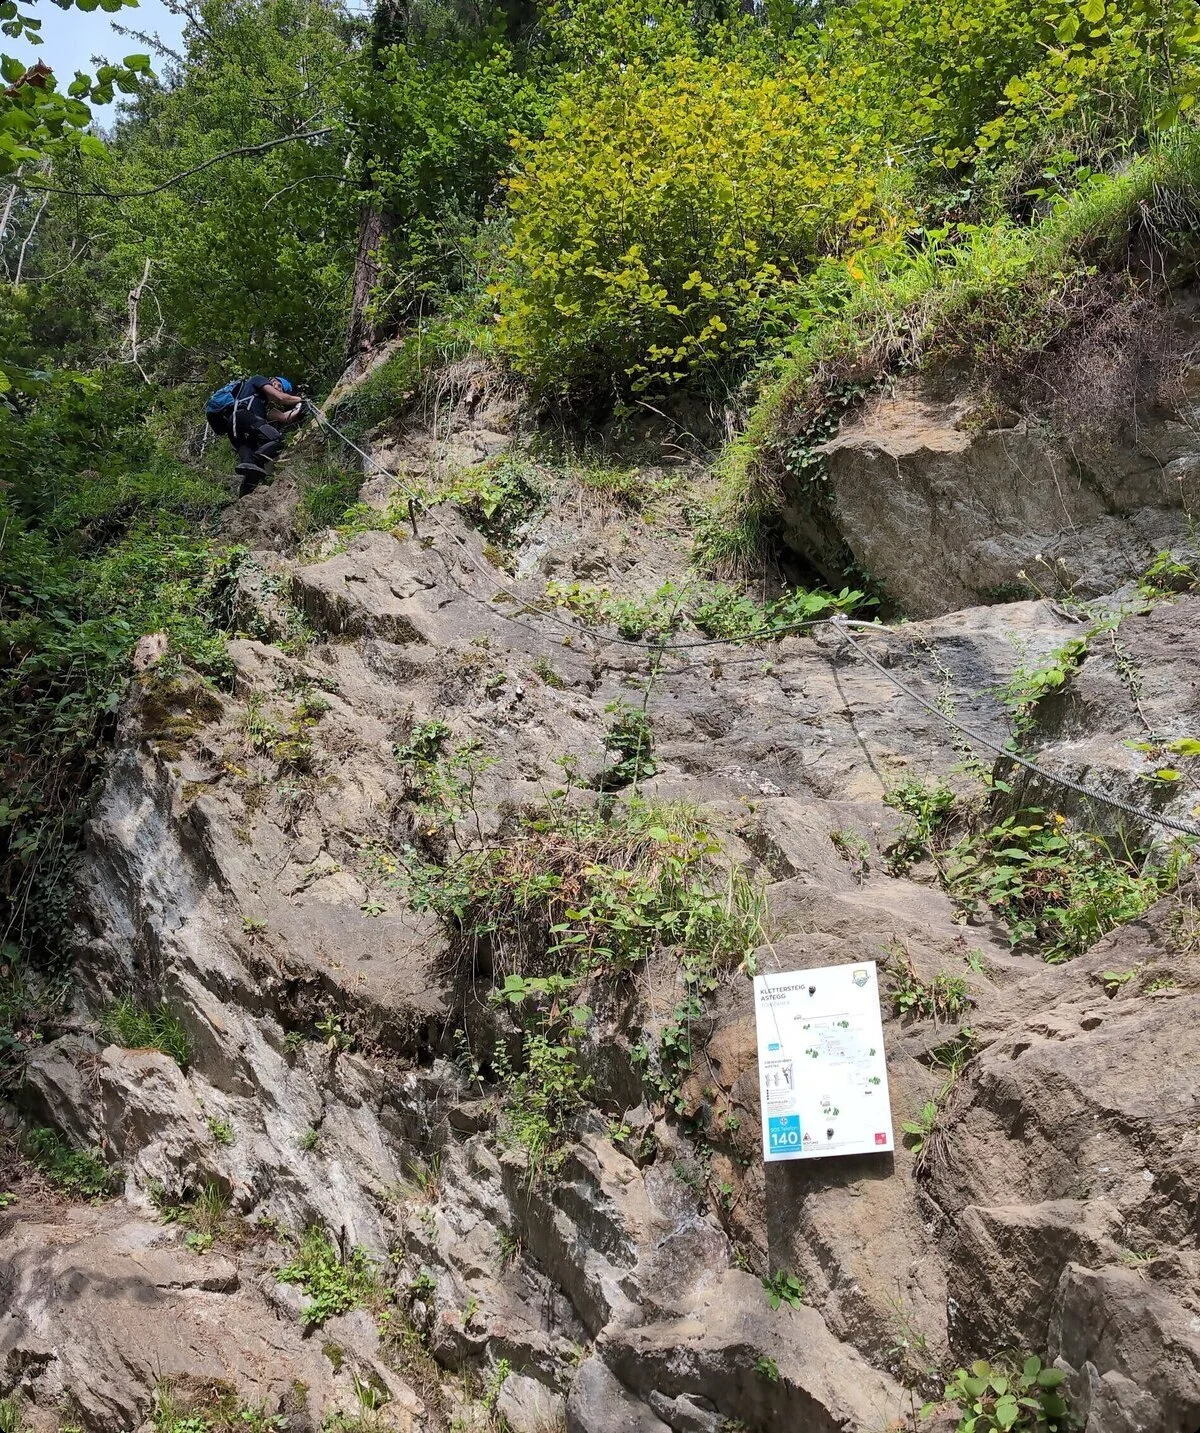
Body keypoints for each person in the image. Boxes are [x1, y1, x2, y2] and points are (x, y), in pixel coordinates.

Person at [218, 376, 305, 495]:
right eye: (280, 387)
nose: (279, 391)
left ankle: (244, 497)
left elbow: (284, 417)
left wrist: (298, 407)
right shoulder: (258, 379)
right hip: (245, 417)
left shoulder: (260, 402)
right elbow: (280, 398)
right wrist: (301, 399)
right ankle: (255, 459)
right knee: (278, 439)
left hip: (235, 427)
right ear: (274, 381)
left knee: (252, 467)